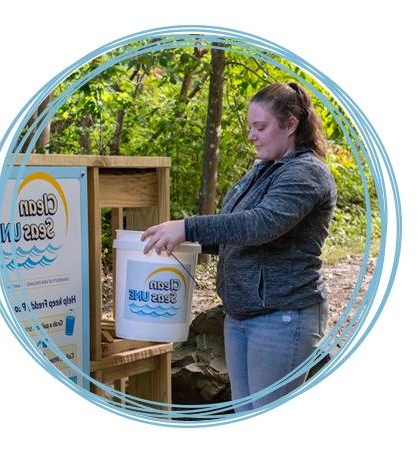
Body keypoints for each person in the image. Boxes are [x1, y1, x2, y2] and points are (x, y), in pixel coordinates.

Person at [141, 82, 337, 411]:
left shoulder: (307, 174)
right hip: (241, 317)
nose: (251, 136)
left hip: (283, 319)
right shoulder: (261, 171)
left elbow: (259, 225)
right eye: (250, 127)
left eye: (260, 127)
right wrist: (184, 240)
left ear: (291, 124)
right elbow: (233, 235)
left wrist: (187, 226)